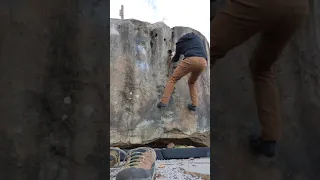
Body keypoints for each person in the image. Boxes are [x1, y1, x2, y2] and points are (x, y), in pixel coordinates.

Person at [211, 0, 309, 157]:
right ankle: (269, 139)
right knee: (262, 68)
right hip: (299, 8)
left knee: (206, 50)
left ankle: (190, 111)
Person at [157, 32, 208, 111]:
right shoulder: (197, 38)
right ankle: (194, 105)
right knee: (192, 82)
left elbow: (176, 59)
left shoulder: (180, 43)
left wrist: (172, 56)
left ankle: (163, 103)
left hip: (191, 59)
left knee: (173, 79)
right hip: (203, 62)